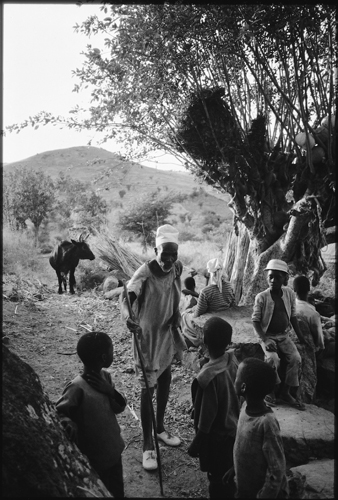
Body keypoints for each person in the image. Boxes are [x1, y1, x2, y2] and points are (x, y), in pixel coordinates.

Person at [122, 224, 186, 471]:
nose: (169, 258)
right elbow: (130, 296)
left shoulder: (176, 268)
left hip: (165, 333)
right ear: (155, 249)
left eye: (173, 253)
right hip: (147, 338)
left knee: (166, 376)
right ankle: (147, 444)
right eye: (164, 253)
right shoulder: (145, 273)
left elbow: (174, 291)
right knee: (148, 388)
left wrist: (176, 312)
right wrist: (129, 315)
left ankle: (159, 428)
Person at [56, 331, 126, 498]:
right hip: (95, 458)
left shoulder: (106, 378)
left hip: (113, 450)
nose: (113, 354)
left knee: (117, 491)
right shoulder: (76, 387)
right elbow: (59, 411)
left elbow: (119, 407)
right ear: (103, 357)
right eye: (112, 351)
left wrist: (110, 391)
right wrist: (67, 421)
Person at [188, 317, 239, 498]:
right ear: (228, 342)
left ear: (205, 340)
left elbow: (207, 420)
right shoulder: (232, 360)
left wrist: (196, 443)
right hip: (233, 429)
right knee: (228, 472)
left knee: (217, 479)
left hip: (217, 438)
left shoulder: (207, 378)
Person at [223, 357, 289, 499]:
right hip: (244, 488)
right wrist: (235, 468)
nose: (234, 380)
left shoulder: (267, 423)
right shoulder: (245, 407)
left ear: (243, 387)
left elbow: (276, 471)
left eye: (236, 378)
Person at [252, 259, 306, 410]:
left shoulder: (288, 293)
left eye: (277, 277)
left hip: (284, 335)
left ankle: (286, 392)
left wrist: (301, 337)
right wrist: (265, 339)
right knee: (273, 359)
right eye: (270, 276)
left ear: (285, 279)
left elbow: (293, 316)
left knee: (296, 358)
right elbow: (255, 321)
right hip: (267, 335)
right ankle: (271, 391)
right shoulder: (262, 297)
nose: (273, 280)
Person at [181, 258, 235, 348]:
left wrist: (190, 311)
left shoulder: (206, 291)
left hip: (211, 321)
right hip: (225, 319)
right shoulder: (230, 286)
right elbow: (233, 304)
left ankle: (196, 341)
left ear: (211, 273)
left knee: (184, 316)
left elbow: (198, 313)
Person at [293, 275, 325, 353]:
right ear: (309, 289)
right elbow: (319, 342)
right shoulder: (313, 313)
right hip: (309, 348)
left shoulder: (289, 305)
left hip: (292, 345)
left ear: (294, 289)